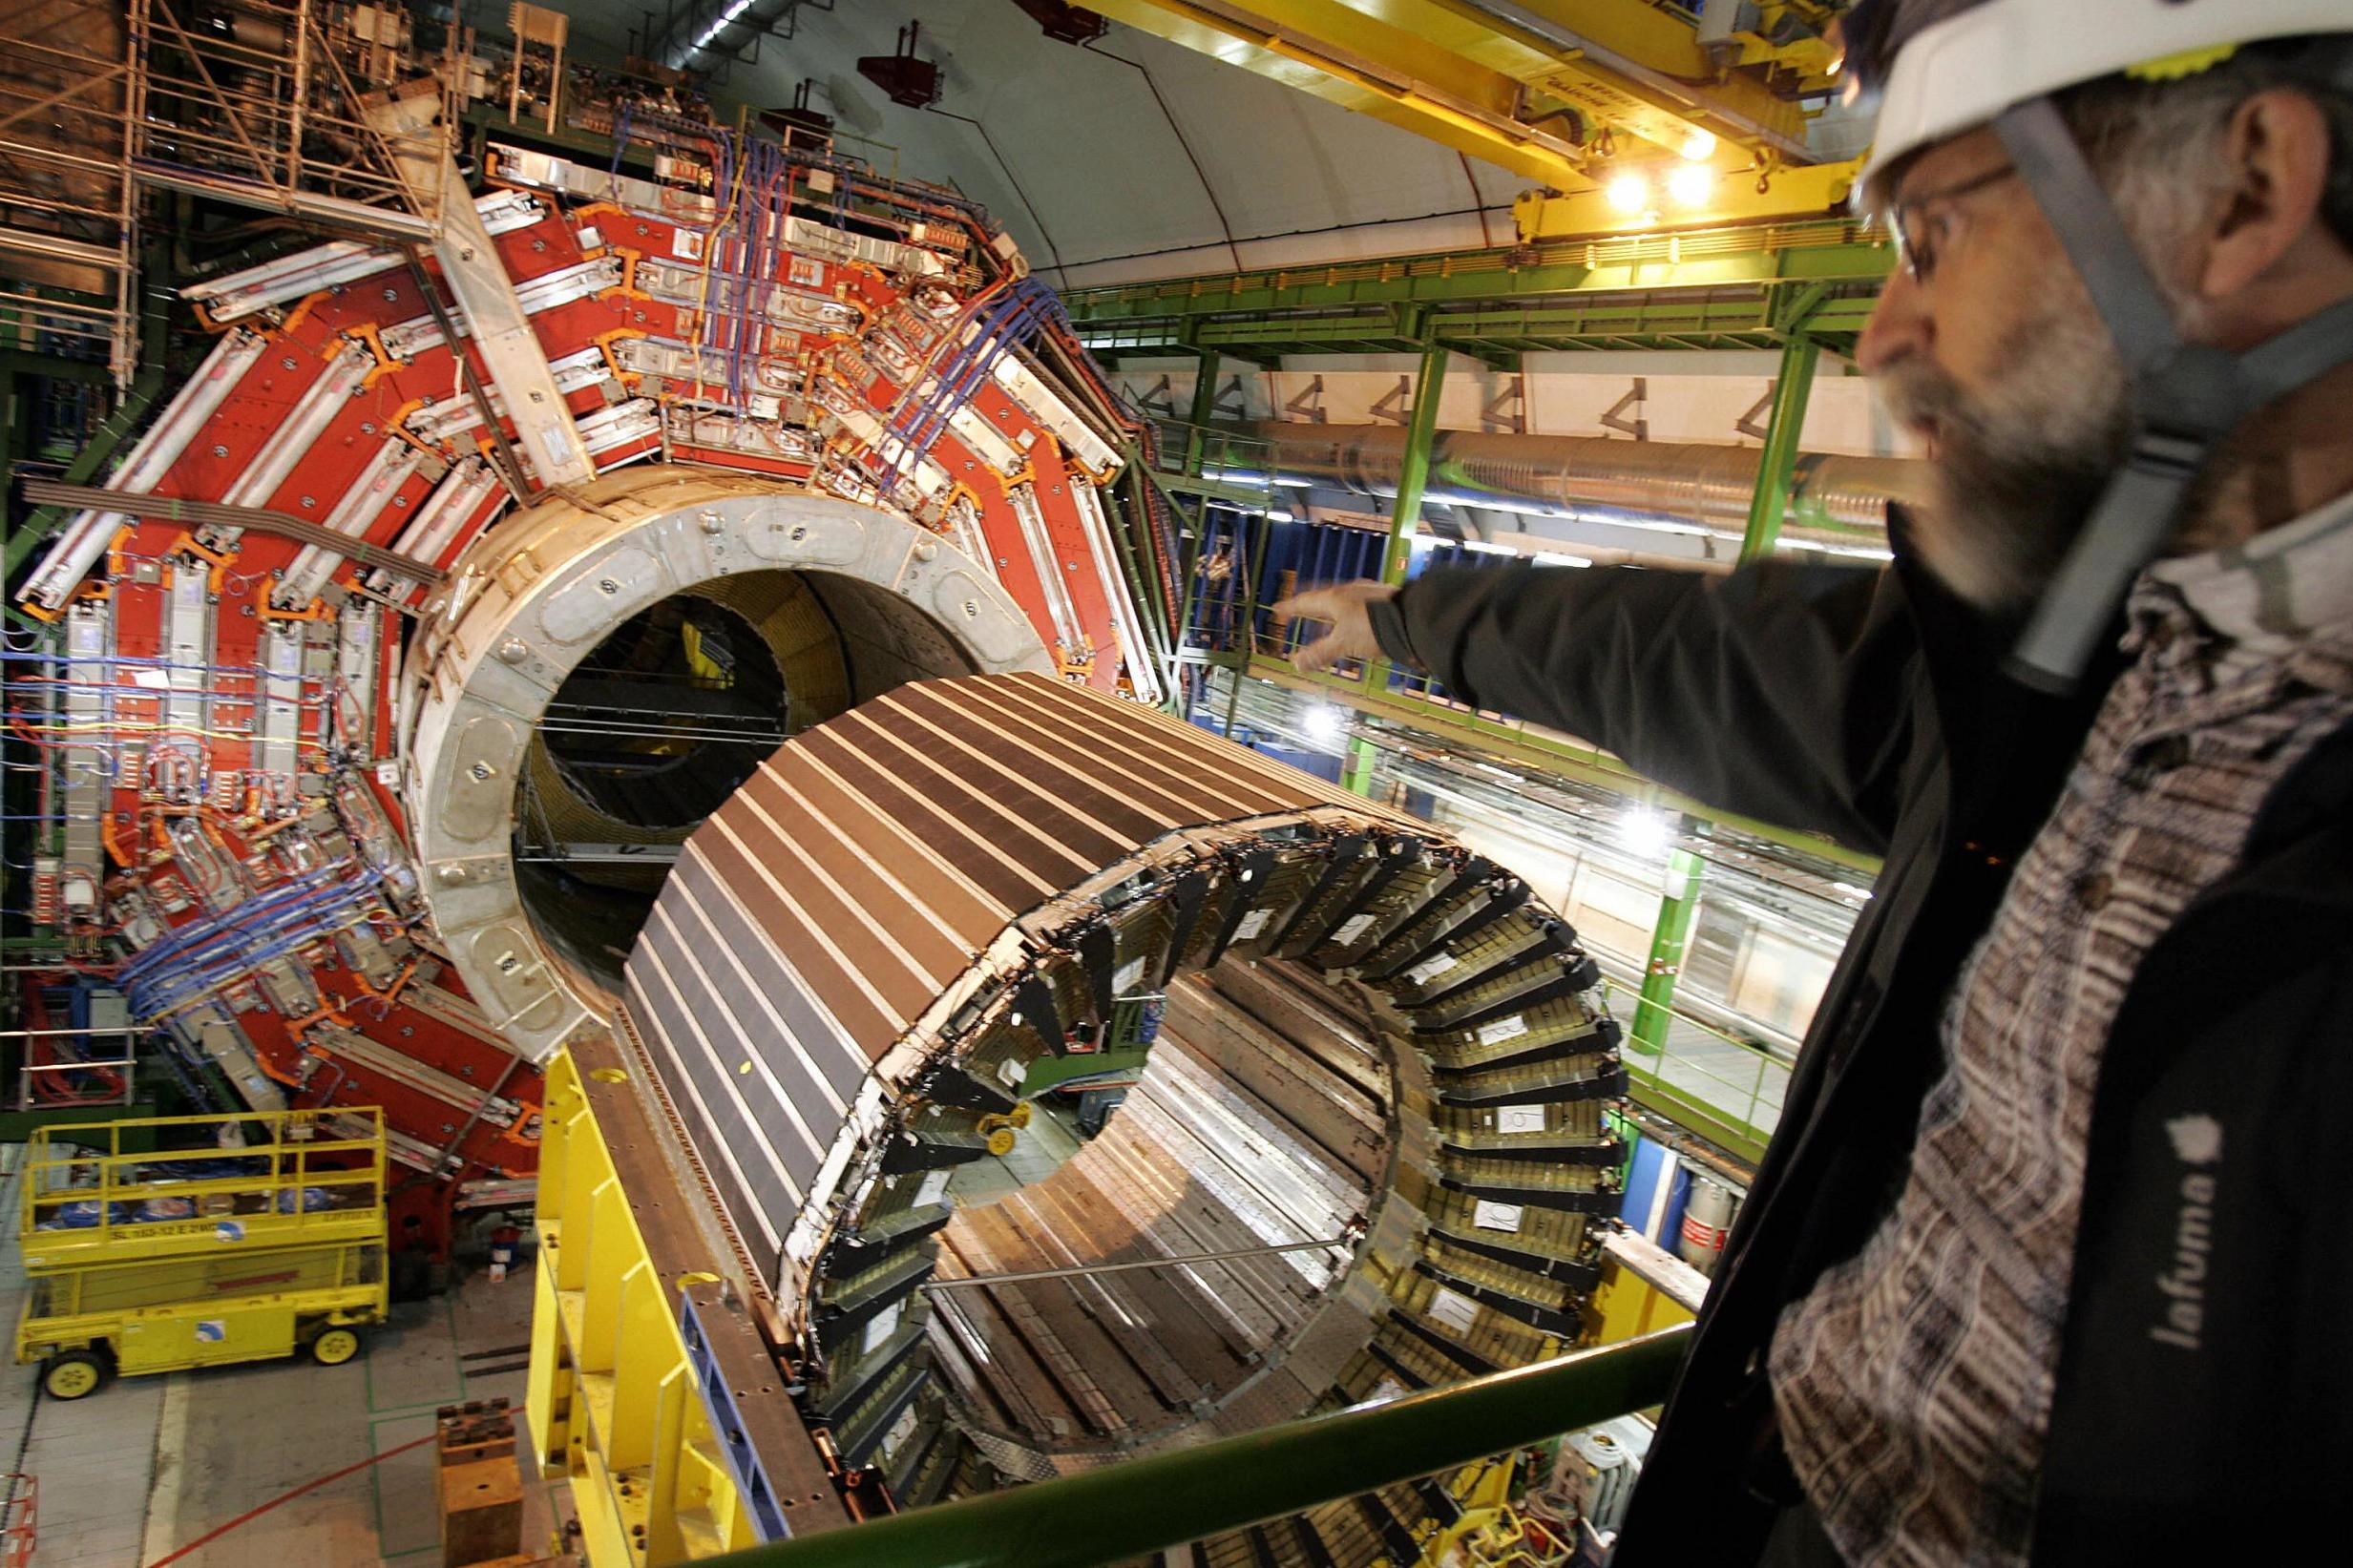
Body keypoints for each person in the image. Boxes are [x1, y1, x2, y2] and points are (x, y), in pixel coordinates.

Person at [1275, 3, 2353, 1562]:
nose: (1880, 335)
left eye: (1931, 234)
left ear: (2250, 185)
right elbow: (1743, 663)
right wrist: (1419, 618)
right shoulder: (2123, 655)